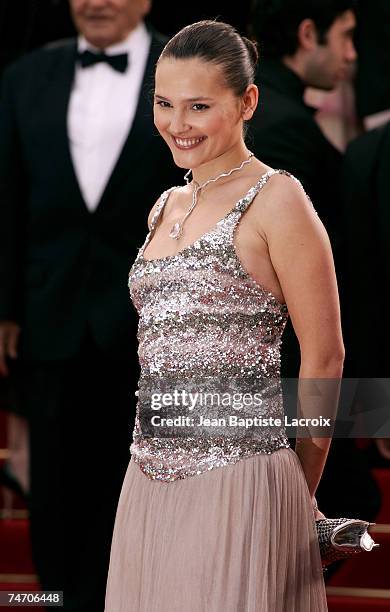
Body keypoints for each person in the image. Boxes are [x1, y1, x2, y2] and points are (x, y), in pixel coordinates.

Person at [104, 20, 345, 611]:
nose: (176, 125)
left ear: (247, 103)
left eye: (198, 106)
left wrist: (298, 491)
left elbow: (327, 355)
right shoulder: (167, 204)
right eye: (163, 103)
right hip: (149, 477)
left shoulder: (278, 198)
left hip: (242, 480)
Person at [0, 0, 181, 610]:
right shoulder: (24, 77)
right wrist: (7, 308)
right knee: (51, 494)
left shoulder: (185, 70)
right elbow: (8, 196)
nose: (97, 1)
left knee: (133, 489)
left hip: (150, 322)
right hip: (51, 318)